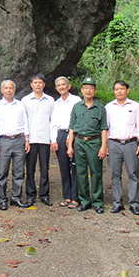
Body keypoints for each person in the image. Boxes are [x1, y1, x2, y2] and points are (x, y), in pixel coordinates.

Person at [66, 77, 108, 213]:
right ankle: (84, 200)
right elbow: (71, 127)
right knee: (81, 172)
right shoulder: (77, 107)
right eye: (85, 88)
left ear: (95, 91)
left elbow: (103, 128)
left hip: (94, 142)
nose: (88, 90)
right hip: (79, 142)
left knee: (96, 172)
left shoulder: (100, 108)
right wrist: (70, 146)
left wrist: (103, 146)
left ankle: (97, 201)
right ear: (82, 90)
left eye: (91, 88)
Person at [106, 80, 139, 216]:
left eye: (122, 89)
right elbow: (106, 127)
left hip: (130, 143)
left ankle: (134, 203)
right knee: (115, 174)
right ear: (114, 91)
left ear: (127, 90)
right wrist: (104, 145)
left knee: (133, 173)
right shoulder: (109, 107)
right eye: (116, 89)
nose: (119, 91)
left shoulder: (135, 106)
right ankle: (117, 202)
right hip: (113, 143)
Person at [0, 80, 31, 209]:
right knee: (2, 171)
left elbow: (25, 122)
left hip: (19, 139)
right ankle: (2, 199)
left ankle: (16, 197)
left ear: (14, 90)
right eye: (6, 88)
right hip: (3, 141)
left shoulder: (20, 105)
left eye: (11, 88)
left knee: (19, 171)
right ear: (2, 90)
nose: (8, 90)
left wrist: (27, 139)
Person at [21, 73, 55, 206]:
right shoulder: (25, 100)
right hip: (31, 139)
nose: (38, 85)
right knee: (30, 168)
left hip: (45, 139)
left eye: (40, 83)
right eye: (35, 83)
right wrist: (26, 138)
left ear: (44, 85)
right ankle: (30, 194)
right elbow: (24, 121)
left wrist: (53, 139)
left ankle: (44, 194)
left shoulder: (50, 100)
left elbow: (53, 120)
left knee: (44, 168)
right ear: (31, 85)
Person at [50, 76, 81, 208]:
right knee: (63, 167)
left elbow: (78, 120)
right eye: (58, 85)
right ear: (57, 88)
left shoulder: (76, 100)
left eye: (63, 84)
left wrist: (71, 136)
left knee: (75, 166)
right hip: (60, 135)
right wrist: (53, 140)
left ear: (68, 86)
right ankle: (67, 196)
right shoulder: (56, 103)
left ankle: (76, 197)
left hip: (73, 134)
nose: (61, 87)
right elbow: (53, 123)